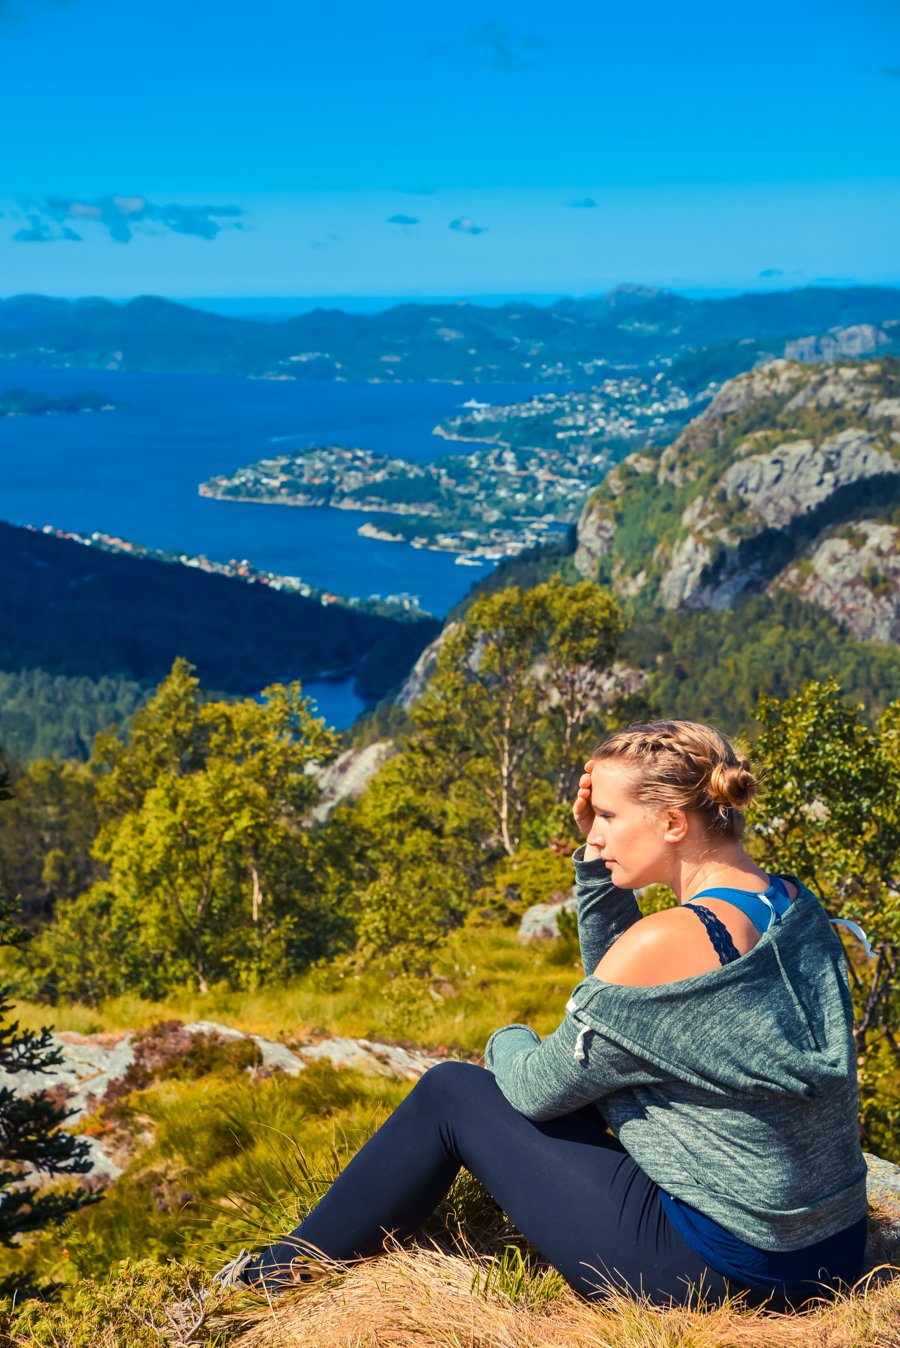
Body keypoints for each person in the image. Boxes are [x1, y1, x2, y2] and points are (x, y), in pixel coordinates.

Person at [216, 719, 869, 1309]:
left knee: (452, 1092)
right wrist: (595, 859)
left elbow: (534, 1087)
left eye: (609, 817)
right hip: (827, 1248)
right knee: (592, 1078)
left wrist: (508, 1039)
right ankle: (279, 1271)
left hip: (721, 1270)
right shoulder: (792, 905)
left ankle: (269, 1281)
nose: (596, 833)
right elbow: (628, 1004)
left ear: (672, 823)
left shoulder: (662, 941)